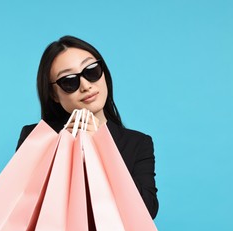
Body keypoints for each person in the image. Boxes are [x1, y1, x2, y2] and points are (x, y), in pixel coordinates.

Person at [16, 35, 159, 219]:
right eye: (69, 81)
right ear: (54, 94)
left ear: (104, 73)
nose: (85, 86)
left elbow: (147, 212)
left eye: (92, 71)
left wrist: (102, 148)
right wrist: (61, 149)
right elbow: (20, 210)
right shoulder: (36, 137)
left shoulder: (138, 143)